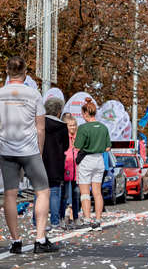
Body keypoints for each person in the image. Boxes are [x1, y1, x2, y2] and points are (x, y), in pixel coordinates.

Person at [0, 56, 58, 253]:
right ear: (25, 73)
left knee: (10, 194)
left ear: (7, 72)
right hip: (29, 150)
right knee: (42, 191)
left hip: (6, 150)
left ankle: (15, 241)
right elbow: (40, 128)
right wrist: (39, 153)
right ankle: (40, 239)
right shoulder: (33, 94)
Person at [74, 98, 111, 231]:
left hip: (86, 160)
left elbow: (77, 147)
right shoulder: (103, 127)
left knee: (85, 192)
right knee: (97, 192)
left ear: (85, 113)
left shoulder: (83, 128)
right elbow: (107, 148)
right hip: (99, 160)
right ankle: (98, 219)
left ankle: (87, 218)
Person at [40, 98, 69, 230]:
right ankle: (55, 221)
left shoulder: (39, 123)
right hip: (56, 163)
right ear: (59, 111)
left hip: (40, 162)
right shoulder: (62, 127)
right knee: (54, 193)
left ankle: (37, 221)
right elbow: (66, 146)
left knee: (39, 193)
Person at [60, 113, 81, 228]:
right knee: (64, 195)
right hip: (66, 168)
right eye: (70, 125)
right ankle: (61, 217)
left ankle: (76, 217)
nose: (73, 128)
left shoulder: (78, 137)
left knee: (76, 194)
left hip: (76, 170)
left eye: (74, 125)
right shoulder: (64, 138)